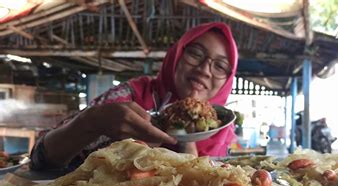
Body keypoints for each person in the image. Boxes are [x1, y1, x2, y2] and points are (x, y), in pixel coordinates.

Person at [30, 22, 238, 171]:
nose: (204, 70)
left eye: (220, 66)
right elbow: (40, 159)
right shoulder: (130, 97)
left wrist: (188, 142)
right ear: (177, 55)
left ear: (227, 80)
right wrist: (92, 122)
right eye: (196, 54)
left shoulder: (221, 127)